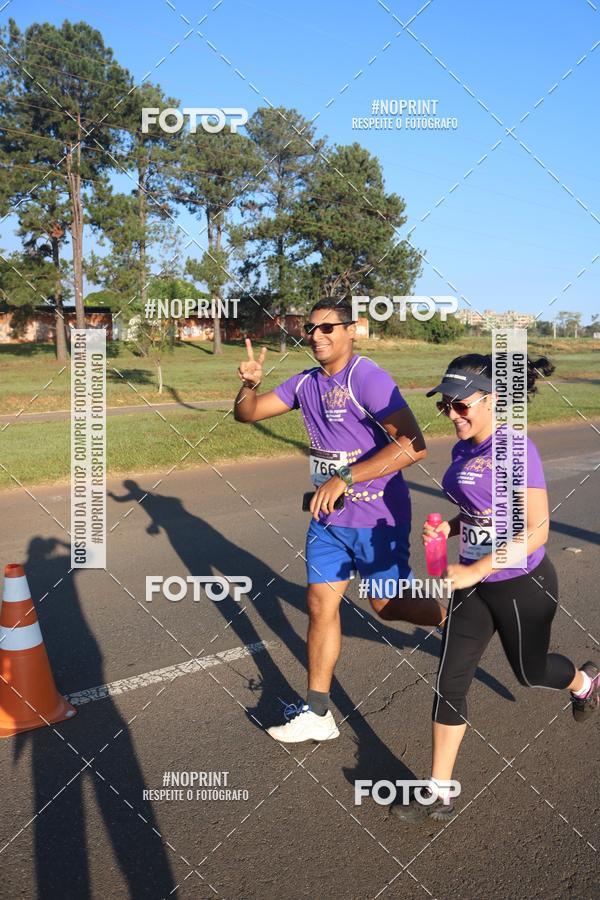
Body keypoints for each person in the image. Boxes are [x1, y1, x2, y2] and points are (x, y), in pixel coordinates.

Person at [391, 353, 600, 823]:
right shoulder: (463, 448)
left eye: (461, 405)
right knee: (450, 680)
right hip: (473, 585)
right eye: (444, 405)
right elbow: (479, 508)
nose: (452, 414)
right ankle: (439, 791)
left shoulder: (515, 450)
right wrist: (450, 528)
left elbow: (537, 530)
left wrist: (477, 568)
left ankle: (585, 682)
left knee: (530, 672)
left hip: (521, 583)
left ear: (492, 400)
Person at [234, 298, 445, 743]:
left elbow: (414, 445)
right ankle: (317, 712)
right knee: (319, 604)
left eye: (328, 328)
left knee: (388, 607)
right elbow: (247, 413)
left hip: (377, 518)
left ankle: (453, 620)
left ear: (353, 330)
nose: (317, 336)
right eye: (310, 329)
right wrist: (249, 386)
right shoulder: (305, 383)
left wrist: (345, 476)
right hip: (328, 519)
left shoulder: (365, 377)